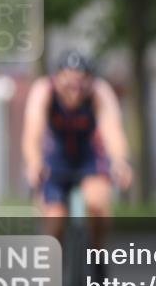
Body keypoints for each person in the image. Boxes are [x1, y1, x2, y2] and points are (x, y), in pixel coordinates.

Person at [22, 49, 133, 245]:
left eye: (81, 84)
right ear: (57, 79)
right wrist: (33, 163)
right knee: (53, 222)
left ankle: (97, 255)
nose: (75, 91)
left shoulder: (100, 92)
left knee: (97, 205)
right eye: (69, 84)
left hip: (89, 156)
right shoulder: (43, 91)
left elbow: (112, 130)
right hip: (55, 157)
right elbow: (33, 133)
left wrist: (120, 161)